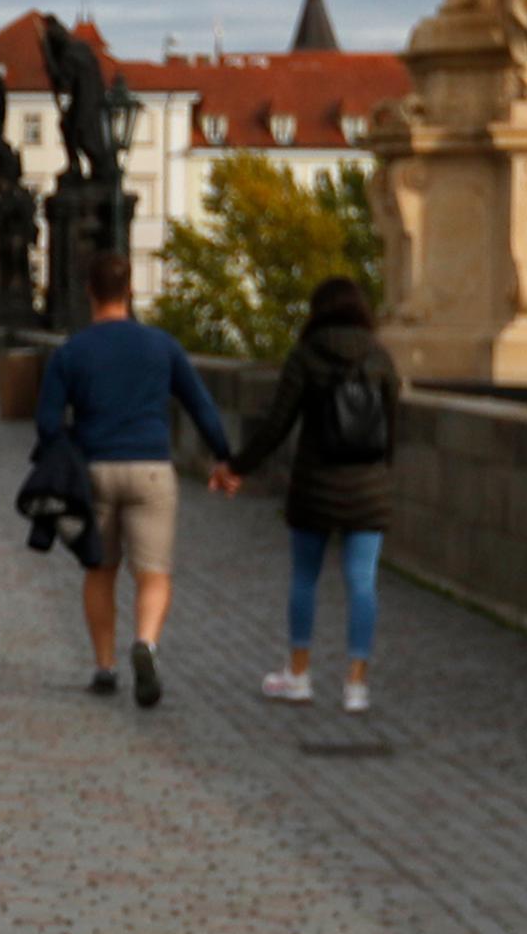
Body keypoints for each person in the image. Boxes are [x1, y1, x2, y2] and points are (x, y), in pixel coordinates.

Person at [36, 250, 243, 708]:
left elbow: (47, 423)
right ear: (130, 291)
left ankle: (105, 667)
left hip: (94, 471)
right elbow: (201, 408)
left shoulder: (71, 351)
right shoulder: (161, 346)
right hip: (151, 468)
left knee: (99, 570)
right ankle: (145, 643)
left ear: (90, 291)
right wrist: (225, 459)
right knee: (154, 574)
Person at [229, 275, 403, 714]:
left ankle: (300, 676)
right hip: (368, 488)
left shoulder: (306, 357)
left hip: (316, 486)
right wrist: (381, 476)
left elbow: (276, 424)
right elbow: (393, 431)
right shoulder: (381, 358)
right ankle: (356, 686)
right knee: (362, 582)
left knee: (305, 578)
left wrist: (236, 467)